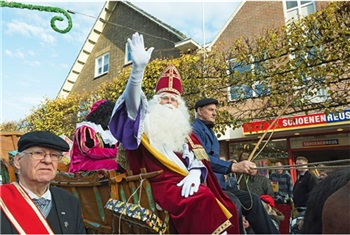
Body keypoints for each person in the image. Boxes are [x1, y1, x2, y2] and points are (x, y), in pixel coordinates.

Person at [109, 32, 242, 234]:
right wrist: (137, 70)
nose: (169, 103)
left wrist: (196, 173)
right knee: (202, 199)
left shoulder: (185, 131)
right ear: (155, 102)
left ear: (180, 106)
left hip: (184, 180)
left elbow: (199, 157)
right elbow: (132, 104)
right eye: (164, 99)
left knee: (229, 205)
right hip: (156, 183)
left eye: (173, 100)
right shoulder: (144, 123)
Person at [192, 97, 280, 234]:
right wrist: (233, 167)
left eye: (215, 110)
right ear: (199, 111)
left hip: (220, 186)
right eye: (211, 110)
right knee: (234, 203)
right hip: (206, 186)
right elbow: (202, 158)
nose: (215, 113)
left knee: (254, 201)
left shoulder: (209, 131)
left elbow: (214, 159)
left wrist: (233, 164)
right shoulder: (194, 130)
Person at [0, 131, 86, 234]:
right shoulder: (3, 199)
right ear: (18, 161)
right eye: (38, 153)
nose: (48, 160)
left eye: (54, 155)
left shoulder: (70, 201)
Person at [68, 99, 120, 172]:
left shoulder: (108, 131)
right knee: (116, 164)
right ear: (101, 115)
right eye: (109, 115)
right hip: (83, 164)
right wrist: (117, 152)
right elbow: (91, 151)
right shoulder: (86, 128)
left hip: (101, 161)